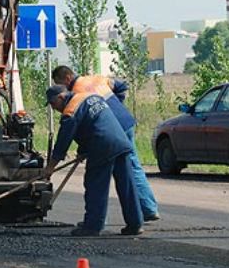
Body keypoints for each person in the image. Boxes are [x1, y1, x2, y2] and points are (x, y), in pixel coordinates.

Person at [52, 65, 160, 221]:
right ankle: (146, 209)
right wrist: (117, 105)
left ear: (67, 78)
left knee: (113, 170)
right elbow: (122, 86)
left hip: (110, 128)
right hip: (125, 122)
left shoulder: (76, 93)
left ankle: (145, 210)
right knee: (132, 168)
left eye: (60, 83)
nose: (61, 87)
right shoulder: (95, 78)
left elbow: (82, 124)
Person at [44, 85, 144, 236]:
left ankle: (93, 226)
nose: (53, 108)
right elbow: (92, 124)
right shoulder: (89, 97)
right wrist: (82, 151)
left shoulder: (70, 111)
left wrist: (50, 168)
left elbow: (62, 143)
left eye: (53, 104)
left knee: (95, 185)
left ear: (60, 97)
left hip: (102, 146)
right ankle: (135, 223)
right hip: (121, 141)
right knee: (127, 186)